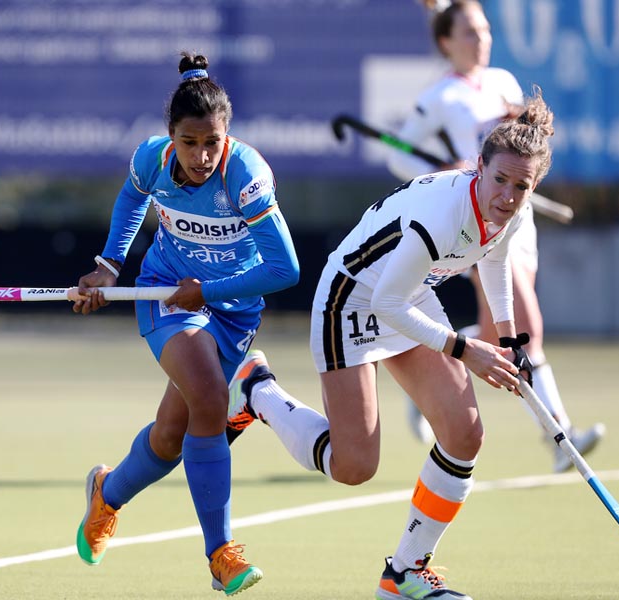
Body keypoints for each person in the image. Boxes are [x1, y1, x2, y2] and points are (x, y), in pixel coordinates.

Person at [226, 87, 554, 600]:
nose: (508, 196)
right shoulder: (442, 216)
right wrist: (468, 350)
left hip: (409, 295)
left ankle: (405, 572)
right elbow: (386, 303)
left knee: (464, 434)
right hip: (352, 300)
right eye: (501, 180)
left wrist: (509, 338)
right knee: (354, 466)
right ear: (478, 168)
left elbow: (493, 260)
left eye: (522, 186)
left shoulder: (506, 213)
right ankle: (257, 393)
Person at [72, 52, 299, 596]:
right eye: (189, 142)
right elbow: (132, 199)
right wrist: (108, 265)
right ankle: (220, 553)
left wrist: (210, 291)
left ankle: (106, 493)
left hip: (231, 305)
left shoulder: (246, 177)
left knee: (173, 435)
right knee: (209, 396)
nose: (201, 156)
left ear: (228, 136)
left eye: (212, 143)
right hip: (166, 291)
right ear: (170, 136)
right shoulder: (151, 159)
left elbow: (284, 270)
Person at [386, 0, 604, 472]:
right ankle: (560, 437)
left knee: (495, 335)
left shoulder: (503, 81)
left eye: (483, 30)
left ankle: (433, 360)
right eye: (468, 31)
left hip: (515, 218)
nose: (480, 39)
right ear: (446, 41)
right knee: (529, 324)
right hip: (471, 221)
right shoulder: (438, 96)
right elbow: (400, 157)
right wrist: (447, 170)